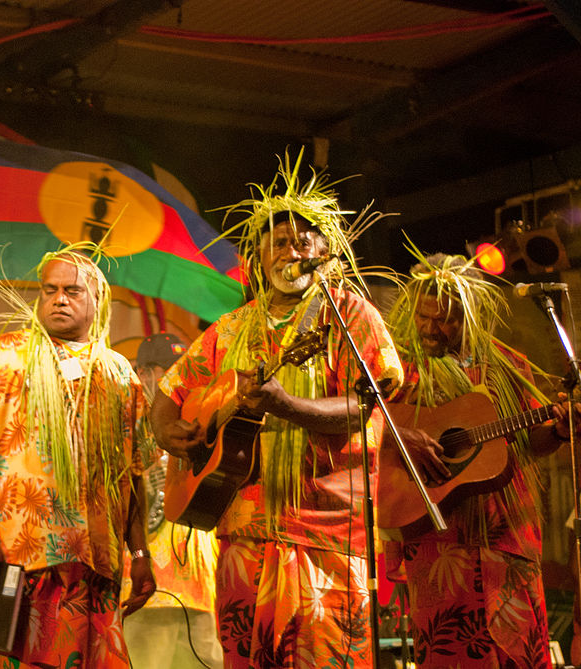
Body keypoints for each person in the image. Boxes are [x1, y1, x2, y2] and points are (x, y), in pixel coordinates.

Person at [150, 151, 403, 668]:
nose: (291, 252)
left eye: (302, 242)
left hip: (326, 532)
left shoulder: (349, 313)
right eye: (278, 243)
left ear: (325, 251)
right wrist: (166, 432)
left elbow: (368, 401)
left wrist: (287, 405)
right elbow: (171, 392)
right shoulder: (230, 328)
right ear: (259, 259)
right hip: (243, 529)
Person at [0, 247, 156, 668]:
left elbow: (131, 473)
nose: (59, 299)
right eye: (50, 290)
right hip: (27, 558)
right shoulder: (3, 356)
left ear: (96, 300)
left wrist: (139, 554)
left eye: (72, 290)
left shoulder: (120, 373)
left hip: (97, 567)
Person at [380, 250, 578, 668]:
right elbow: (373, 427)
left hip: (507, 536)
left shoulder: (507, 367)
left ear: (467, 316)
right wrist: (403, 440)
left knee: (519, 654)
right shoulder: (399, 372)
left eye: (446, 318)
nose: (433, 328)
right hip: (438, 543)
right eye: (424, 317)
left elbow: (531, 443)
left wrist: (559, 431)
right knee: (448, 654)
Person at [122, 332, 223, 669]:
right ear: (144, 374)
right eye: (170, 372)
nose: (181, 383)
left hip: (203, 590)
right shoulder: (129, 425)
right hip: (151, 592)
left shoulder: (199, 420)